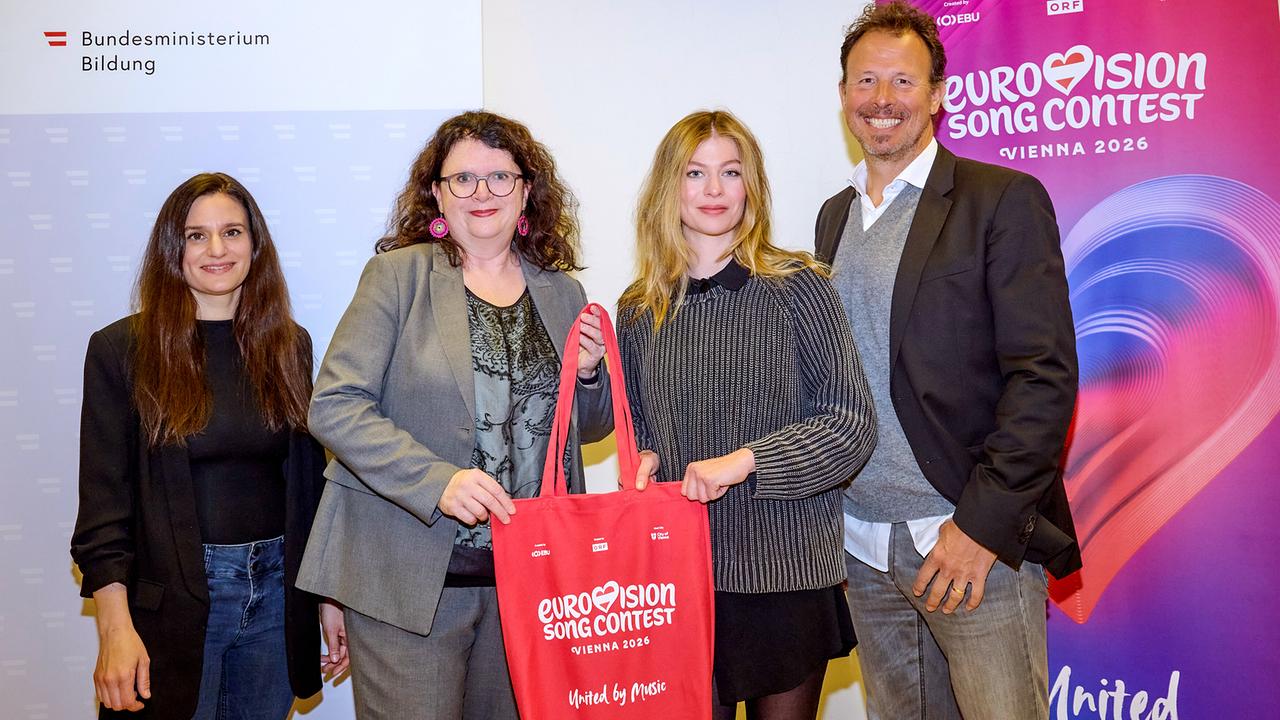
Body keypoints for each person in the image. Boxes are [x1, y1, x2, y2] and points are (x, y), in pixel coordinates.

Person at [296, 110, 628, 719]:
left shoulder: (563, 292)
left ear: (526, 191)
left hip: (529, 584)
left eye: (500, 177)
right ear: (437, 193)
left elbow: (589, 431)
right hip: (406, 581)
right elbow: (335, 406)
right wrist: (438, 482)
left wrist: (587, 376)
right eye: (463, 179)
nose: (482, 193)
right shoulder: (397, 277)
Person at [815, 2, 1082, 718]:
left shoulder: (1002, 201)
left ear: (937, 94)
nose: (882, 99)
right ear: (842, 94)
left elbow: (1043, 377)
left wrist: (980, 529)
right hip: (863, 546)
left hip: (963, 543)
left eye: (903, 81)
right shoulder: (835, 217)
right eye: (865, 81)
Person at [618, 110, 877, 720]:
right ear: (668, 187)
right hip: (678, 579)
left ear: (751, 185)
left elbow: (850, 424)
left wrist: (746, 462)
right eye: (695, 173)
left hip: (785, 572)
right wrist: (645, 457)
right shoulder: (638, 308)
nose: (714, 189)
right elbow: (645, 430)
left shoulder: (800, 285)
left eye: (730, 173)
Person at [71, 172, 348, 719]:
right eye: (196, 236)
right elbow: (103, 507)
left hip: (277, 598)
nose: (217, 249)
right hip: (172, 604)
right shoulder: (121, 351)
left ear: (255, 244)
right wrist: (115, 629)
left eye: (232, 232)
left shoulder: (290, 346)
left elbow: (308, 488)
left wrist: (327, 595)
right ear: (172, 250)